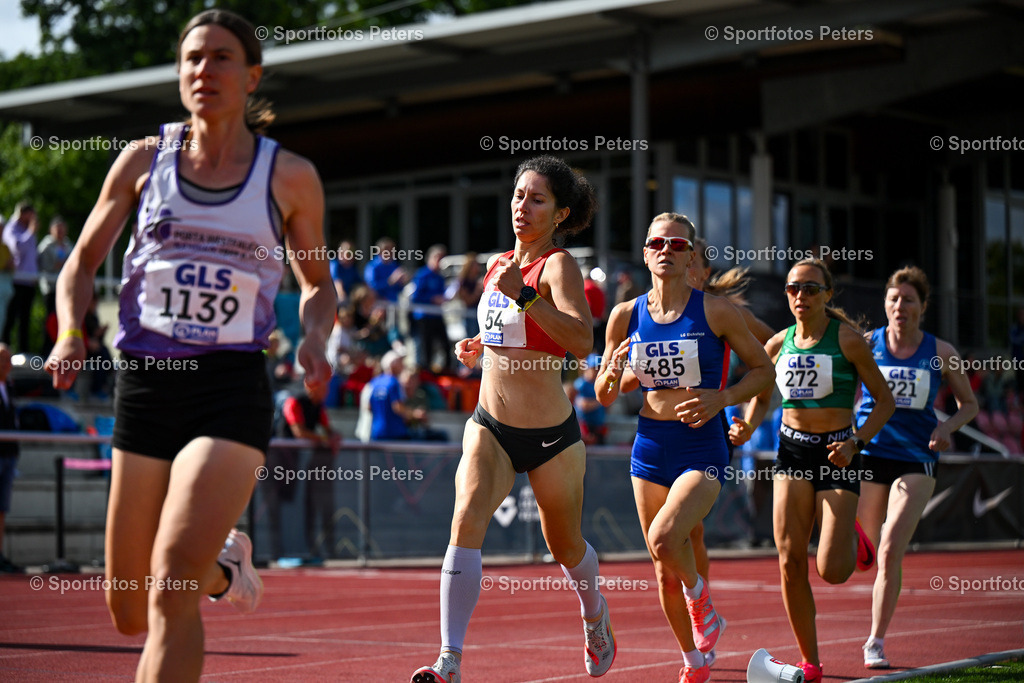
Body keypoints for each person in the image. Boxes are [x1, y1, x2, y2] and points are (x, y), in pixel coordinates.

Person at [45, 10, 336, 681]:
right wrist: (68, 332)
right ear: (180, 75)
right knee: (127, 608)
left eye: (222, 57)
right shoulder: (144, 163)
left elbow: (319, 283)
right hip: (145, 387)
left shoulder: (288, 177)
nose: (204, 70)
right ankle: (223, 564)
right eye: (193, 59)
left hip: (229, 388)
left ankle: (199, 567)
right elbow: (81, 264)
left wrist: (314, 337)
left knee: (170, 582)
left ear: (252, 74)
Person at [412, 155, 614, 683]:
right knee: (465, 522)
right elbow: (511, 330)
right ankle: (449, 659)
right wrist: (480, 343)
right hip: (491, 426)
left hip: (551, 437)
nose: (523, 206)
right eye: (519, 195)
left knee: (564, 545)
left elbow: (579, 340)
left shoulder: (557, 266)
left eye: (537, 199)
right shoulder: (499, 263)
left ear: (560, 212)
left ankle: (594, 611)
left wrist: (521, 293)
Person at [596, 213, 775, 683]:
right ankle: (694, 661)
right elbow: (604, 393)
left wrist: (725, 398)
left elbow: (764, 370)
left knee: (665, 539)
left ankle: (701, 601)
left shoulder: (716, 312)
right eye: (658, 242)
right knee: (661, 567)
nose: (667, 251)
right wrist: (612, 372)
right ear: (645, 251)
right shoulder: (624, 315)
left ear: (691, 254)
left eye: (678, 245)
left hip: (701, 443)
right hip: (650, 444)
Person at [729, 258, 895, 683]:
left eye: (810, 289)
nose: (800, 296)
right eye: (793, 289)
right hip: (792, 454)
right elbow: (763, 397)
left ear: (827, 294)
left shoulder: (849, 341)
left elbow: (884, 401)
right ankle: (811, 662)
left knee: (833, 571)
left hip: (838, 454)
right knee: (788, 560)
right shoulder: (777, 344)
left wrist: (856, 442)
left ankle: (851, 536)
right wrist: (748, 422)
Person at [855, 266, 978, 669]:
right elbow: (848, 393)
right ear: (885, 305)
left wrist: (947, 426)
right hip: (871, 453)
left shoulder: (941, 352)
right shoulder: (867, 344)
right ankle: (856, 541)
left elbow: (969, 405)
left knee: (891, 549)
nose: (899, 306)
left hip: (917, 457)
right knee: (863, 550)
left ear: (922, 307)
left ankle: (875, 641)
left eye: (908, 300)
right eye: (893, 299)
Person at [280, 381, 342, 559]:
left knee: (312, 507)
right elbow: (299, 432)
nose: (325, 391)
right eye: (322, 387)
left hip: (305, 466)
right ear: (310, 386)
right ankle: (286, 548)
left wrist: (333, 436)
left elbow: (328, 430)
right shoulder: (294, 402)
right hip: (284, 463)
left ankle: (313, 548)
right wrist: (324, 439)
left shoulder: (318, 406)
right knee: (289, 507)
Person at [2, 202, 39, 352]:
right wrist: (30, 232)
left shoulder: (27, 230)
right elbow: (16, 249)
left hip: (29, 282)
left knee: (25, 319)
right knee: (10, 318)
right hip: (16, 280)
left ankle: (24, 351)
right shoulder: (11, 228)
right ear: (23, 213)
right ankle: (5, 348)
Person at [409, 244, 452, 372]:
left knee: (445, 344)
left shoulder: (440, 277)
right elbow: (416, 296)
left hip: (437, 315)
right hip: (424, 316)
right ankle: (426, 372)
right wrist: (432, 298)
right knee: (426, 346)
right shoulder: (422, 274)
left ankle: (445, 370)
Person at [0, 343, 22, 573]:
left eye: (9, 360)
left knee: (2, 508)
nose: (8, 365)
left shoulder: (11, 387)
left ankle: (0, 554)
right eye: (4, 360)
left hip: (9, 455)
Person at [38, 216, 74, 315]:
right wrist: (58, 265)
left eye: (62, 229)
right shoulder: (46, 245)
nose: (60, 232)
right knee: (51, 317)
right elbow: (43, 265)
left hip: (66, 288)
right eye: (57, 229)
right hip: (50, 287)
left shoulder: (68, 245)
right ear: (51, 230)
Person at [574, 353, 607, 445]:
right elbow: (584, 405)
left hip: (598, 426)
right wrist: (601, 401)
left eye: (599, 368)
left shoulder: (599, 384)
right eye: (594, 368)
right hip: (585, 426)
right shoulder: (581, 384)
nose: (596, 371)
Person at [365, 236, 408, 303]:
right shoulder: (372, 266)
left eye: (392, 250)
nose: (390, 252)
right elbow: (371, 288)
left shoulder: (394, 265)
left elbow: (399, 289)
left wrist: (403, 282)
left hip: (393, 303)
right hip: (377, 304)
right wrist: (390, 281)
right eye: (386, 249)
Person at [330, 239, 363, 305]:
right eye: (348, 252)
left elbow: (362, 284)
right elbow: (338, 283)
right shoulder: (335, 265)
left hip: (346, 301)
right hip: (332, 301)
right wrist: (342, 296)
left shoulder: (352, 268)